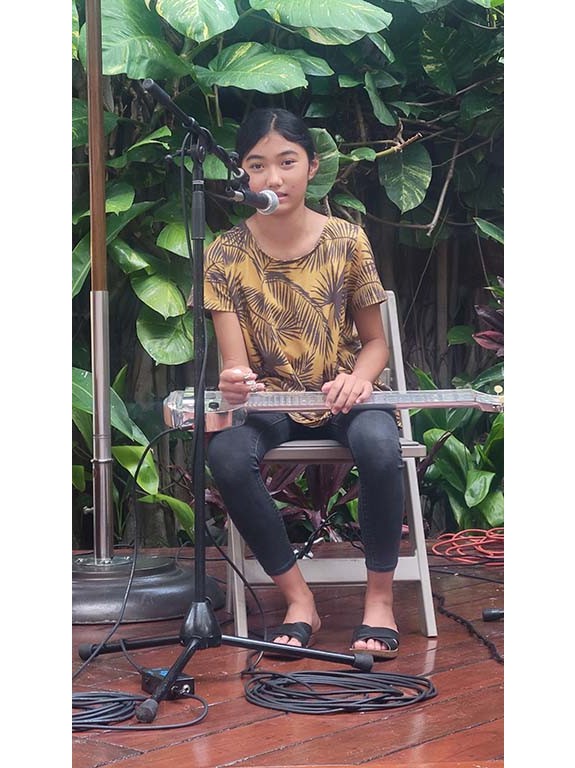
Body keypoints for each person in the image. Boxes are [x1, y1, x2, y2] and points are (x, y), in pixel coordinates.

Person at [203, 108, 405, 660]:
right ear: (243, 174)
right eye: (257, 165)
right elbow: (234, 368)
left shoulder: (347, 240)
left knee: (380, 445)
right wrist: (235, 383)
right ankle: (299, 600)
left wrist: (358, 381)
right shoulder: (224, 252)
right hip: (272, 401)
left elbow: (376, 343)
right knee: (227, 456)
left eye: (287, 162)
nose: (274, 178)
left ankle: (380, 600)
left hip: (344, 392)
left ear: (312, 166)